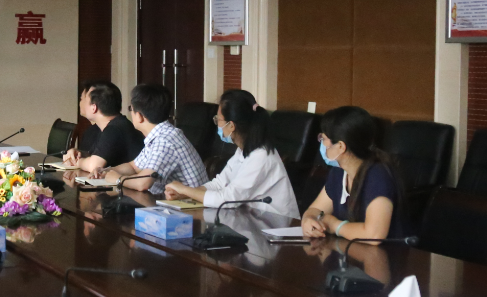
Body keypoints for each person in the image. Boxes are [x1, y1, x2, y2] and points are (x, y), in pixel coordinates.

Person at [163, 89, 299, 218]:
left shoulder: (261, 156)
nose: (217, 124)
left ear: (231, 125)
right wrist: (186, 194)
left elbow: (228, 199)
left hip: (276, 225)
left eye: (218, 119)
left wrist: (184, 190)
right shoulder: (243, 150)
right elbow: (219, 184)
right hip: (251, 219)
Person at [301, 106, 405, 244]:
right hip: (349, 250)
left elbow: (374, 235)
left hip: (386, 254)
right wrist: (309, 220)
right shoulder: (338, 172)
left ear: (340, 147)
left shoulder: (378, 176)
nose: (321, 143)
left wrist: (334, 225)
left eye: (324, 138)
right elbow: (316, 209)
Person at [101, 84, 207, 195]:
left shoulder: (165, 140)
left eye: (130, 109)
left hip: (191, 204)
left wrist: (118, 179)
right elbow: (134, 167)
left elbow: (143, 184)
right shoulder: (161, 134)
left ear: (139, 116)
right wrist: (106, 171)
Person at [63, 80, 143, 176]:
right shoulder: (98, 129)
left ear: (94, 107)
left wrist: (77, 162)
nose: (80, 103)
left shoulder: (115, 129)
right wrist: (77, 153)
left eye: (82, 99)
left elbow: (94, 166)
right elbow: (97, 154)